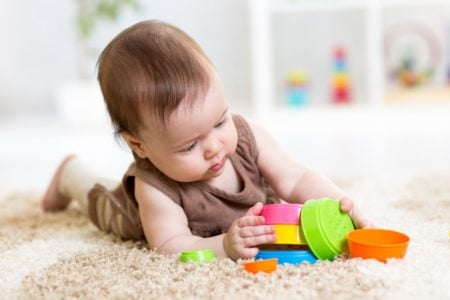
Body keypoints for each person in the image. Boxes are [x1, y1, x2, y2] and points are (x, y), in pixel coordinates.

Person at [42, 20, 371, 261]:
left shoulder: (247, 137)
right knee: (96, 198)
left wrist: (339, 201)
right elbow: (171, 245)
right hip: (129, 214)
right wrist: (224, 246)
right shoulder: (153, 186)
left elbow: (295, 177)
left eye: (219, 121)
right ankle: (69, 172)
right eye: (189, 146)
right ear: (140, 146)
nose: (214, 146)